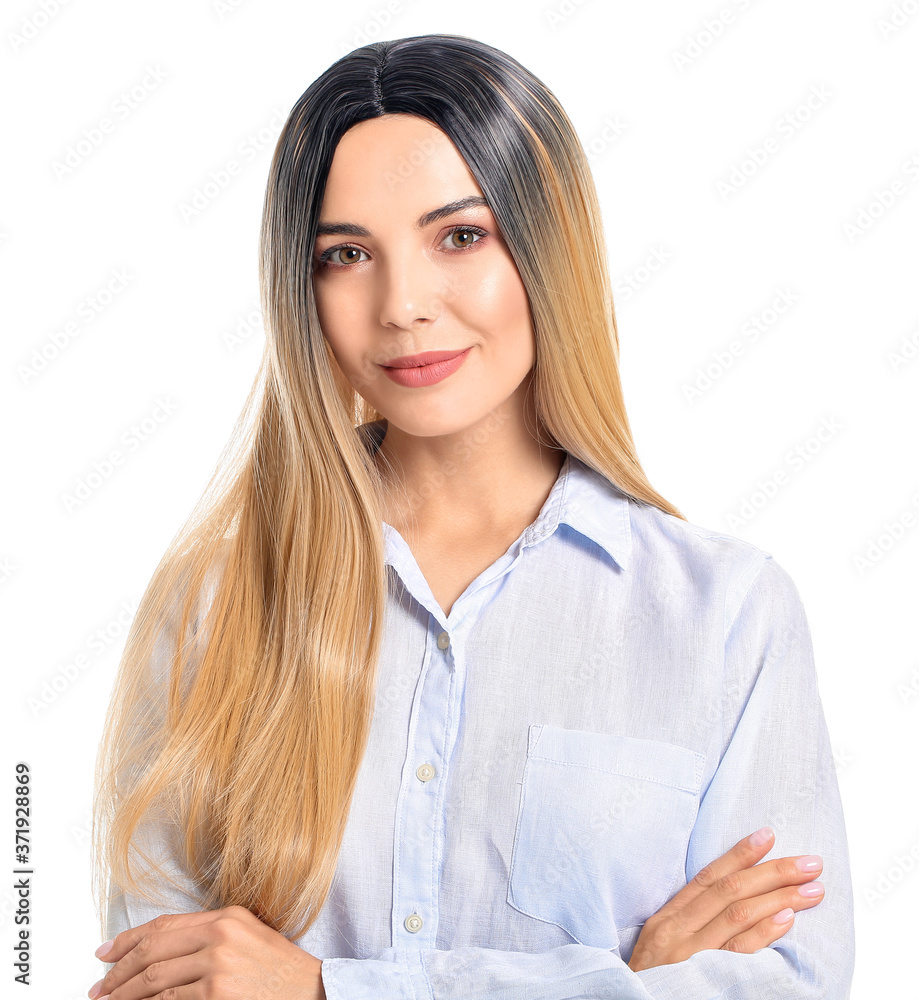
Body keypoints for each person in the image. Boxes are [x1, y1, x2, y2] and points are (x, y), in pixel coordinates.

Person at [89, 33, 855, 1000]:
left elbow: (789, 986)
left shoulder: (726, 617)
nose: (402, 304)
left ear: (548, 247)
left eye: (459, 235)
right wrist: (623, 982)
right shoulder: (213, 605)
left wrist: (327, 991)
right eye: (346, 254)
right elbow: (164, 983)